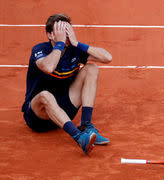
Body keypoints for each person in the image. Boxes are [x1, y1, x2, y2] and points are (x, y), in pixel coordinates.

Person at [22, 14, 112, 155]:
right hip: (39, 116)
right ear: (50, 35)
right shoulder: (40, 50)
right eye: (61, 32)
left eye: (68, 31)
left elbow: (107, 57)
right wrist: (60, 43)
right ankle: (79, 138)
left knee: (92, 68)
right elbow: (48, 67)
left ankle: (86, 126)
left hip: (65, 110)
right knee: (46, 95)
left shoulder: (73, 49)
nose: (66, 36)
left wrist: (77, 44)